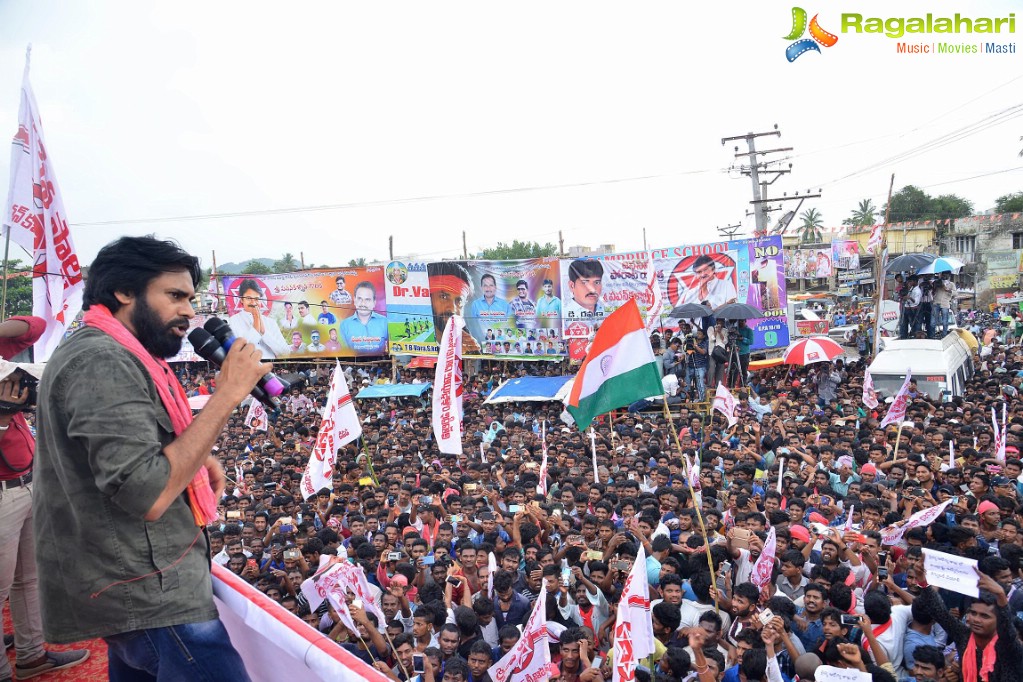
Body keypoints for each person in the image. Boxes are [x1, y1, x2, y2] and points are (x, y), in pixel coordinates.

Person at [34, 236, 270, 680]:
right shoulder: (102, 360)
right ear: (125, 291)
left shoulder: (117, 351)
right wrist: (227, 395)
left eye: (191, 299)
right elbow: (150, 493)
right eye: (175, 296)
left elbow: (138, 453)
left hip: (143, 582)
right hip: (149, 592)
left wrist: (198, 459)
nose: (189, 311)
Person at [0, 317, 90, 682]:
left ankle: (31, 655)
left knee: (28, 579)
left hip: (25, 485)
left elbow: (34, 327)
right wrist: (4, 416)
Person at [228, 279, 290, 359]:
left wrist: (264, 333)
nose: (253, 303)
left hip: (270, 368)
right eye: (249, 298)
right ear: (241, 300)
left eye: (257, 299)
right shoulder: (233, 321)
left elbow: (285, 352)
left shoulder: (270, 322)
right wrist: (256, 324)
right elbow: (241, 352)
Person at [428, 262, 481, 353]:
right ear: (429, 298)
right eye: (443, 297)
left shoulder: (469, 346)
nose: (453, 309)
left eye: (459, 301)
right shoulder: (416, 345)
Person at [339, 281, 389, 354]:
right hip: (352, 363)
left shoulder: (385, 322)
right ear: (355, 300)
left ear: (374, 302)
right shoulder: (344, 325)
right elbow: (343, 352)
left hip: (382, 363)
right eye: (359, 299)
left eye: (367, 299)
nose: (363, 303)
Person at [466, 273, 512, 341]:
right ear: (481, 287)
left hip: (501, 344)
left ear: (495, 287)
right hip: (482, 345)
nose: (488, 288)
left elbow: (510, 325)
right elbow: (473, 328)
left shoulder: (505, 305)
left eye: (491, 285)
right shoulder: (475, 305)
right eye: (485, 285)